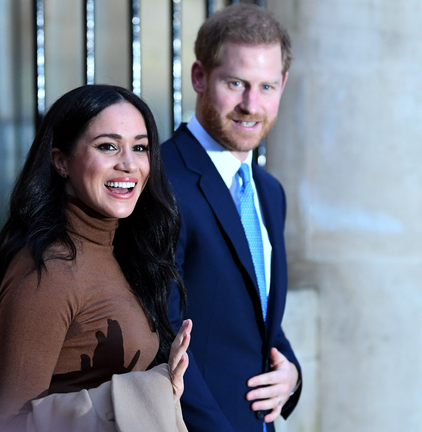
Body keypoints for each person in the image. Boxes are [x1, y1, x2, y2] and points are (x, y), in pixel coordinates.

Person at [0, 84, 193, 432]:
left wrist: (160, 391)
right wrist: (138, 394)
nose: (128, 164)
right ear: (61, 161)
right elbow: (8, 425)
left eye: (140, 148)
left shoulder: (122, 250)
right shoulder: (47, 272)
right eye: (107, 146)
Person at [160, 5, 301, 432]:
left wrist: (291, 373)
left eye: (266, 86)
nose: (251, 104)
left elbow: (257, 318)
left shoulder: (269, 191)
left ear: (283, 85)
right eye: (235, 83)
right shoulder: (161, 179)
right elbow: (159, 331)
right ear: (200, 77)